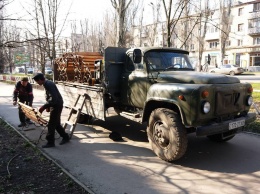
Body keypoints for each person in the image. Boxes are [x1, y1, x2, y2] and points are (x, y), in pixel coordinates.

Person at [32, 73, 70, 148]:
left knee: (51, 124)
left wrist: (44, 106)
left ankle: (50, 142)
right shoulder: (47, 83)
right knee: (56, 123)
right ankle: (65, 137)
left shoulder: (49, 84)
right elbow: (50, 97)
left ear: (40, 80)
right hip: (55, 104)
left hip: (57, 105)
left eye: (37, 81)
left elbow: (54, 98)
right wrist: (48, 105)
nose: (37, 83)